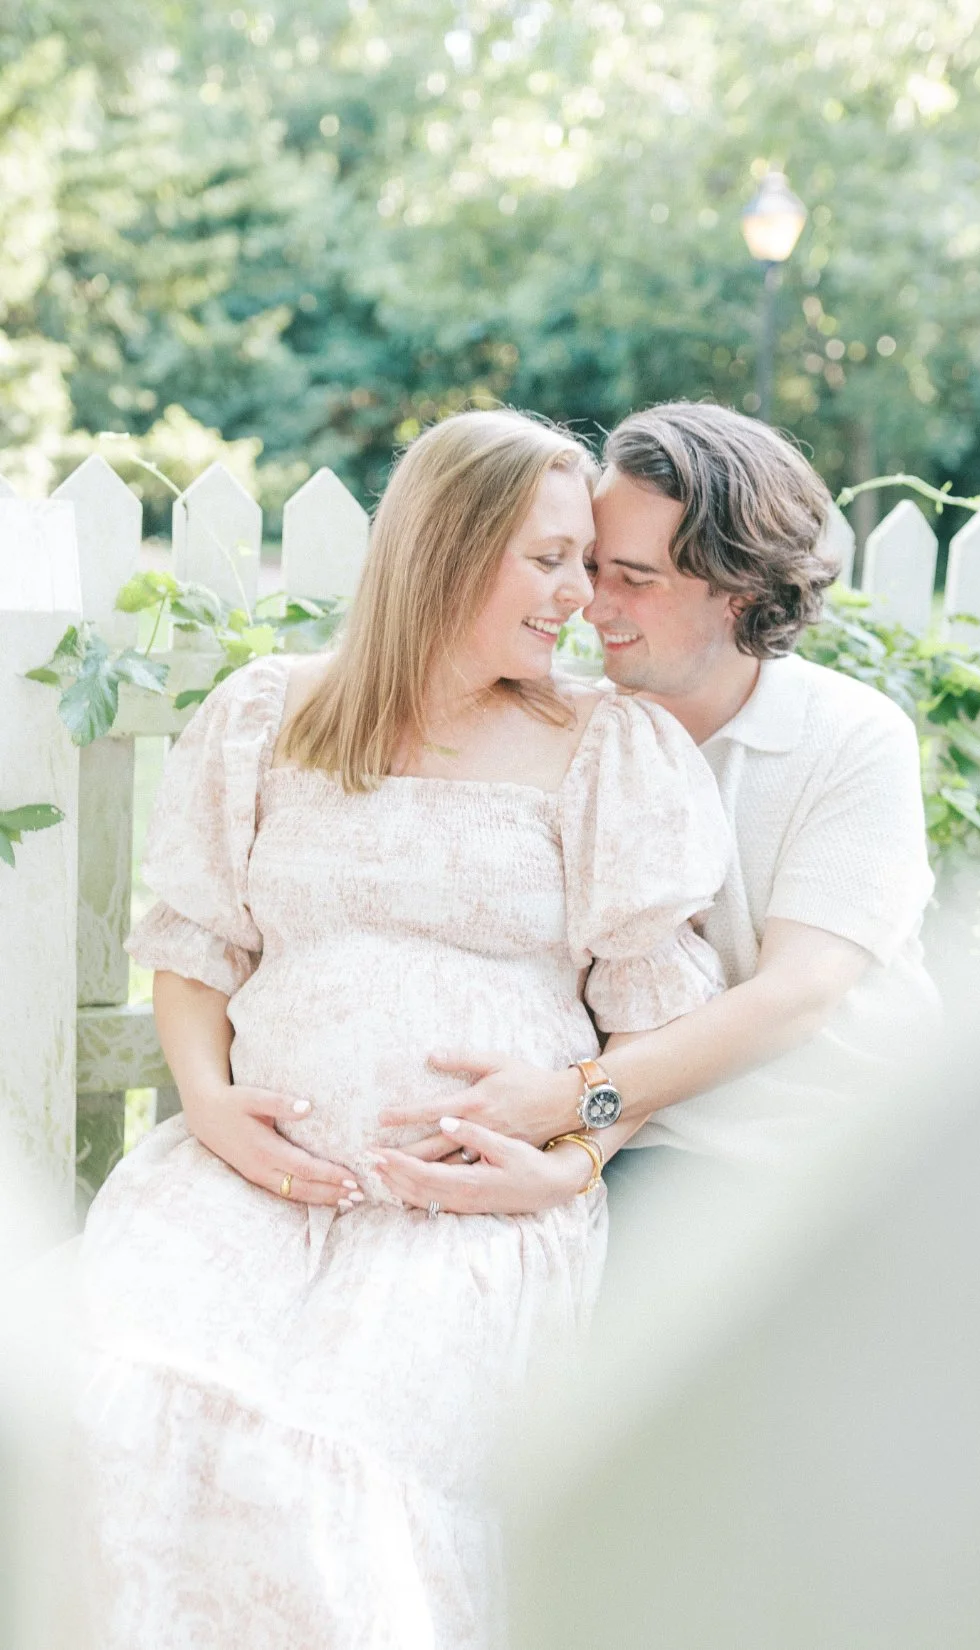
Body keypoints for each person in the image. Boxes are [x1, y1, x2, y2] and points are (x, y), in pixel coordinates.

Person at [74, 409, 731, 1649]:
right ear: (446, 546)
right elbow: (195, 948)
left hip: (468, 1210)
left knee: (320, 1465)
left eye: (589, 564)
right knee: (118, 1403)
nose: (580, 597)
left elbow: (659, 1022)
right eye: (550, 560)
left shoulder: (604, 747)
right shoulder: (269, 715)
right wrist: (209, 1107)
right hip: (246, 1188)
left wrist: (572, 1156)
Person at [364, 401, 939, 1210]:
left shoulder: (850, 736)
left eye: (635, 579)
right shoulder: (573, 735)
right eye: (592, 567)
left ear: (742, 589)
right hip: (638, 1150)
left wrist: (571, 1100)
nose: (592, 604)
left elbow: (797, 996)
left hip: (837, 1151)